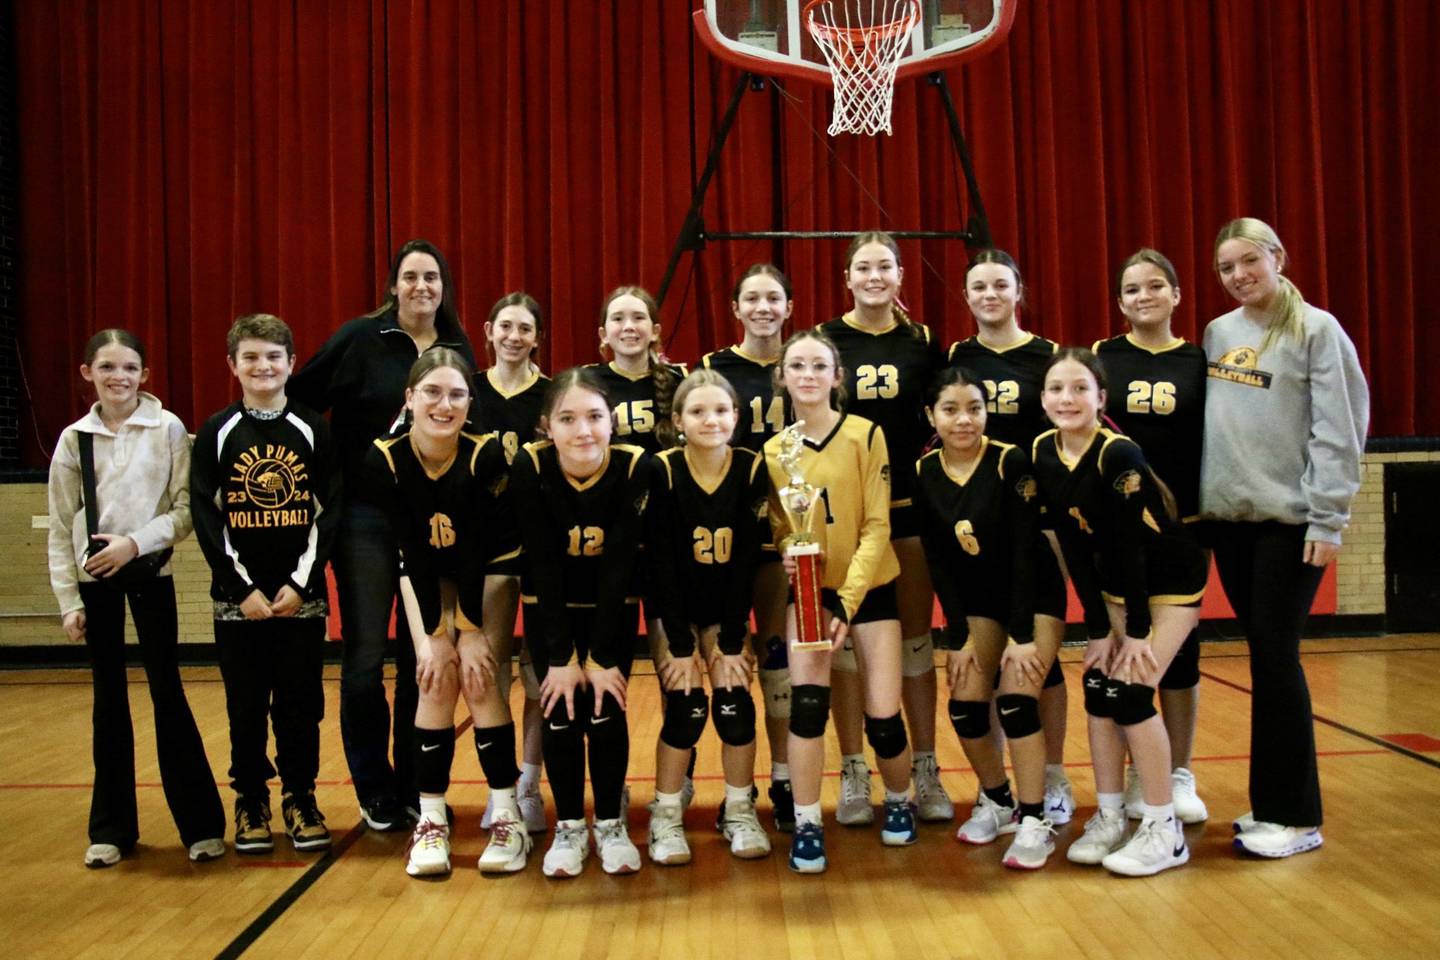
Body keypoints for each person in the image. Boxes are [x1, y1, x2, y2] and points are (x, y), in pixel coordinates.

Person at [290, 239, 476, 831]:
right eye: (411, 277)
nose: (422, 287)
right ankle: (373, 788)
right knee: (366, 655)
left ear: (444, 288)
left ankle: (411, 784)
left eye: (433, 278)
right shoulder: (358, 340)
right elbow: (298, 403)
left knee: (419, 657)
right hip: (366, 520)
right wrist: (333, 477)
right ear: (393, 286)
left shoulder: (456, 349)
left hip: (430, 523)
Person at [1204, 217, 1368, 858]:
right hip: (1232, 523)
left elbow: (1340, 428)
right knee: (1264, 659)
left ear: (1279, 257)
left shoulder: (1317, 330)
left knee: (1276, 660)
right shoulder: (1220, 332)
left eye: (1250, 261)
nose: (1239, 275)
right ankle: (1269, 803)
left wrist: (1329, 518)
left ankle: (1297, 817)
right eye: (1225, 268)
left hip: (1291, 524)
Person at [47, 329, 226, 867]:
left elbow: (184, 511)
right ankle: (111, 829)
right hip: (93, 580)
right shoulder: (73, 439)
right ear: (88, 373)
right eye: (106, 367)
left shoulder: (167, 428)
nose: (118, 377)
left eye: (128, 367)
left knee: (167, 692)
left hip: (149, 572)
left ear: (144, 374)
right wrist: (67, 601)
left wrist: (133, 544)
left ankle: (199, 826)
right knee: (108, 700)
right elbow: (60, 526)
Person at [1034, 348, 1207, 877]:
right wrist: (1095, 627)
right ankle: (1109, 816)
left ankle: (1163, 829)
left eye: (1080, 388)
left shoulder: (1119, 454)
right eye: (1057, 389)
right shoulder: (1043, 450)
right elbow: (1072, 542)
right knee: (1099, 689)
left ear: (1101, 398)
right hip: (1114, 585)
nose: (1068, 398)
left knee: (1133, 693)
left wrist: (1132, 632)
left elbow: (1133, 546)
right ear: (1043, 399)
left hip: (1168, 581)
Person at [362, 348, 526, 877]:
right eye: (431, 392)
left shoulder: (485, 457)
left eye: (456, 394)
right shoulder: (384, 460)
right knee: (434, 675)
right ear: (409, 398)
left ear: (469, 403)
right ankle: (430, 819)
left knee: (479, 676)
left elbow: (476, 549)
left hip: (490, 566)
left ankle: (506, 812)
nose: (444, 403)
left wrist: (471, 629)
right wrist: (435, 633)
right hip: (423, 568)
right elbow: (411, 548)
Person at [190, 315, 341, 856]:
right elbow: (209, 519)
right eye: (251, 358)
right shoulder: (217, 431)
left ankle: (300, 797)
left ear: (291, 364)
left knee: (300, 704)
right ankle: (250, 799)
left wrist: (301, 583)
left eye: (274, 357)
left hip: (299, 598)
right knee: (245, 705)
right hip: (240, 603)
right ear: (232, 365)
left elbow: (329, 510)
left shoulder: (310, 428)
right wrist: (239, 589)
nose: (263, 367)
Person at [763, 329, 914, 873]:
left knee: (883, 718)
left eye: (818, 365)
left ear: (836, 376)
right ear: (782, 376)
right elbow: (785, 527)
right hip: (807, 590)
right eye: (796, 365)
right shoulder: (775, 451)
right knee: (806, 711)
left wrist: (846, 603)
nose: (807, 374)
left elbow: (877, 526)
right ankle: (807, 822)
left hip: (869, 590)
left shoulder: (865, 434)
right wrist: (788, 552)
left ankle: (898, 802)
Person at [820, 233, 952, 826]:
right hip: (845, 517)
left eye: (885, 267)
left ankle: (925, 766)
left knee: (915, 644)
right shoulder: (827, 341)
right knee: (844, 645)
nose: (875, 276)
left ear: (902, 275)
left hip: (907, 510)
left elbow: (945, 416)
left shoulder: (923, 343)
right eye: (863, 267)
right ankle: (853, 768)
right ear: (846, 277)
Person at [914, 366, 1067, 869]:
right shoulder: (925, 471)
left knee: (1018, 701)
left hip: (1032, 597)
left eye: (974, 409)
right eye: (951, 409)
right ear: (931, 416)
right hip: (977, 602)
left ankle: (1033, 818)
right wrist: (957, 634)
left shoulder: (1009, 462)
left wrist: (1020, 636)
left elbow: (1026, 550)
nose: (964, 420)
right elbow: (938, 558)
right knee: (966, 706)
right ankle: (997, 797)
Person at [509, 368, 651, 878]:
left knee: (606, 709)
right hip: (550, 610)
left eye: (594, 417)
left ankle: (610, 823)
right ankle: (569, 826)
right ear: (548, 426)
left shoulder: (635, 465)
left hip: (611, 610)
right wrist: (564, 659)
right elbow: (541, 562)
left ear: (612, 421)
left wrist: (601, 658)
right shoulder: (531, 464)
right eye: (568, 419)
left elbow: (619, 566)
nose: (583, 430)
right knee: (560, 710)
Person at [948, 249, 1074, 823]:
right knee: (986, 666)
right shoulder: (957, 357)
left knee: (1038, 664)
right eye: (979, 286)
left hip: (1040, 523)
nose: (990, 294)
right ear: (967, 296)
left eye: (1001, 284)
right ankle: (998, 785)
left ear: (1019, 291)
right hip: (978, 528)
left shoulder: (1046, 357)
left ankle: (1052, 775)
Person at [1094, 249, 1209, 824]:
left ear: (1176, 295)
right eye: (1133, 289)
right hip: (1117, 534)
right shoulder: (1102, 359)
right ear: (1119, 302)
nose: (1144, 296)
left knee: (1180, 658)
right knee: (1126, 655)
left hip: (1182, 528)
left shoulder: (1198, 362)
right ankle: (1141, 769)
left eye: (1156, 286)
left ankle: (1179, 770)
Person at [646, 369, 772, 864]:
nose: (710, 419)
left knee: (736, 704)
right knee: (685, 708)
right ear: (677, 420)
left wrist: (733, 638)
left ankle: (739, 808)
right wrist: (680, 645)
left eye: (721, 410)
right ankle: (666, 814)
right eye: (697, 411)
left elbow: (745, 561)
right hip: (674, 608)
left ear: (736, 417)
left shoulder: (750, 466)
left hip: (725, 606)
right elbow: (659, 563)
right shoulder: (663, 470)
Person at [700, 263, 794, 831]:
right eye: (752, 299)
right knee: (715, 658)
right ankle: (705, 783)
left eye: (773, 298)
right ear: (736, 308)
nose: (763, 307)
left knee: (780, 663)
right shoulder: (714, 369)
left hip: (788, 535)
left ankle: (784, 779)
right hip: (726, 534)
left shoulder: (805, 361)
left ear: (788, 306)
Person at [472, 292, 551, 836]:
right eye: (506, 326)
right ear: (488, 331)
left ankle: (530, 781)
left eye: (525, 328)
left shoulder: (552, 395)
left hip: (543, 543)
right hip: (489, 547)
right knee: (493, 668)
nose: (515, 336)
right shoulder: (469, 391)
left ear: (537, 337)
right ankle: (500, 786)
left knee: (540, 672)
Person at [588, 285, 685, 455]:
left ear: (655, 331)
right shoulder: (588, 381)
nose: (628, 326)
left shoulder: (678, 380)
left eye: (638, 318)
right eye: (618, 319)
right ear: (604, 335)